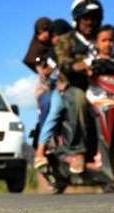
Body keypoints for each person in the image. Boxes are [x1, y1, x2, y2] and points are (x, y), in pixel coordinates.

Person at [54, 0, 104, 173]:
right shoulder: (67, 39)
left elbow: (113, 58)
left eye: (94, 18)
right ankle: (77, 152)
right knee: (79, 98)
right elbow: (63, 63)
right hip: (72, 87)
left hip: (99, 88)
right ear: (77, 19)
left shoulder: (101, 40)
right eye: (86, 18)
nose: (90, 22)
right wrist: (82, 65)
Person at [33, 18, 72, 169]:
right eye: (54, 36)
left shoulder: (76, 49)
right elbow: (47, 71)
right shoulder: (52, 54)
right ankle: (40, 152)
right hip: (58, 89)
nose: (56, 39)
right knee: (55, 111)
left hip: (79, 87)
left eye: (60, 35)